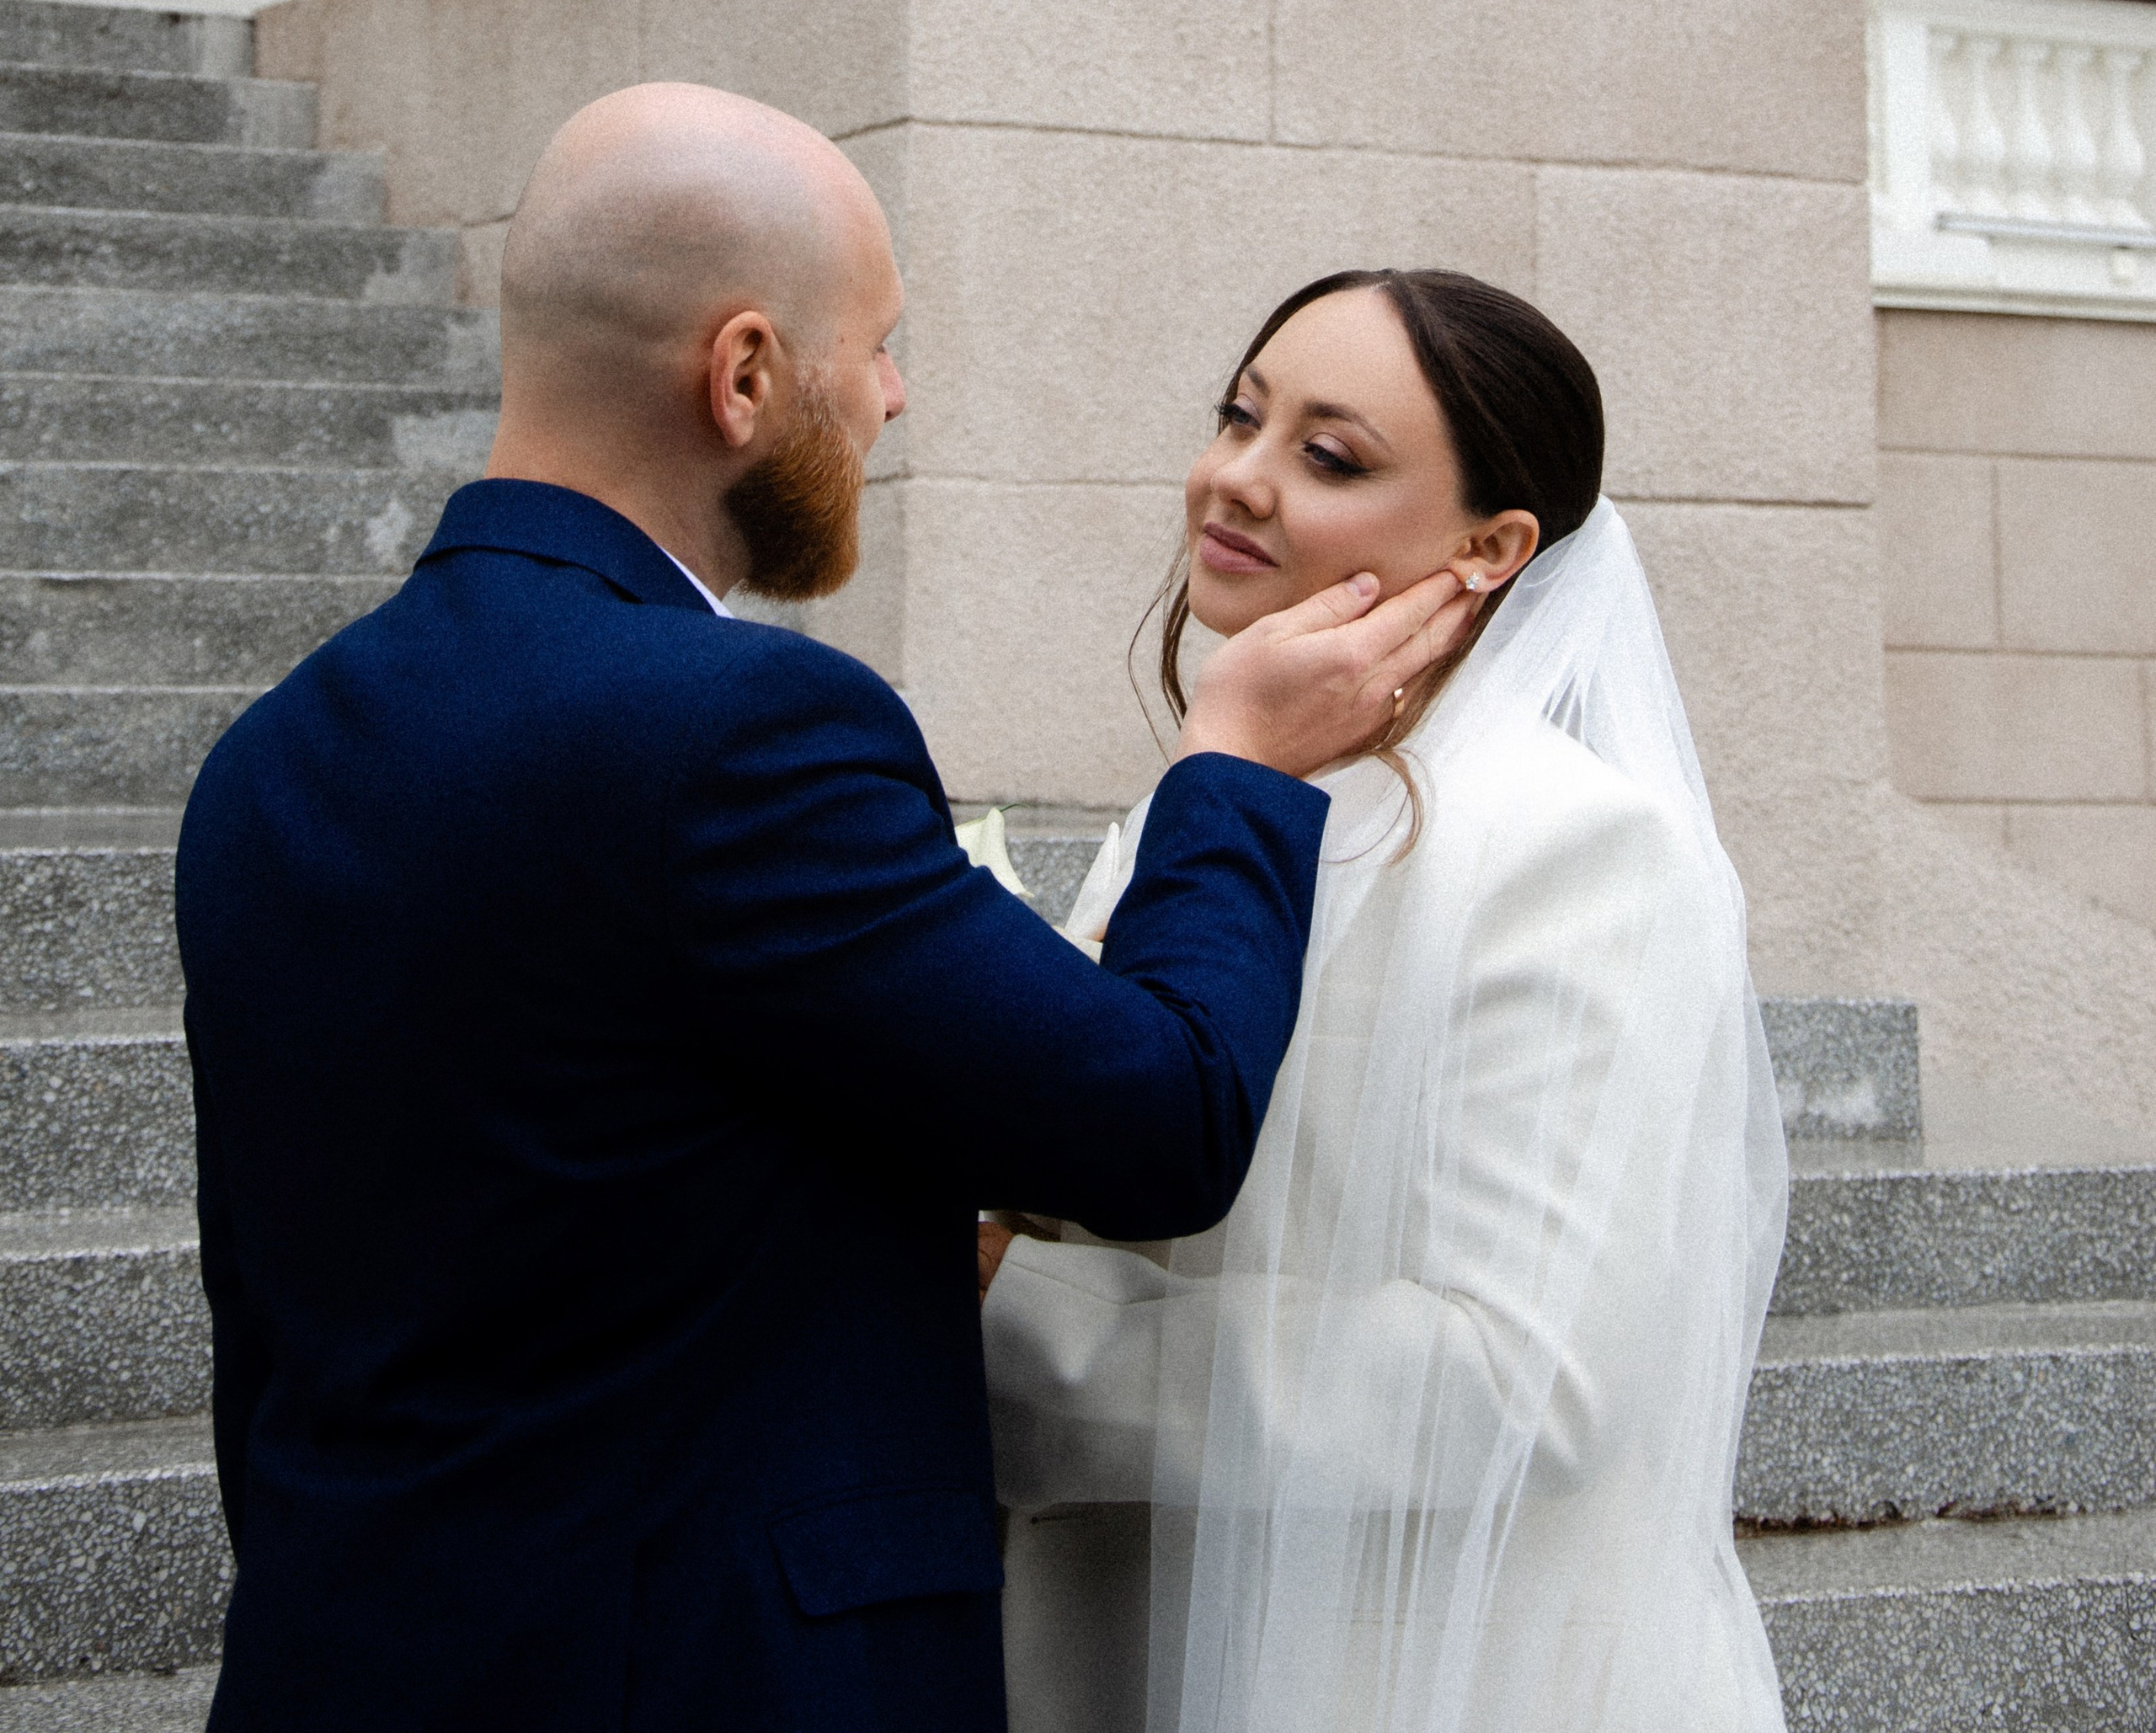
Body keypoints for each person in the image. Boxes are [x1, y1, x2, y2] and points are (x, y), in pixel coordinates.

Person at [175, 92, 1475, 1733]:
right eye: (872, 347)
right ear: (742, 375)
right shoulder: (738, 730)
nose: (890, 396)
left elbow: (309, 1301)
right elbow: (1161, 1115)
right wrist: (1237, 766)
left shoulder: (270, 753)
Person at [984, 269, 1789, 1733]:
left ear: (1492, 546)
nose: (1239, 476)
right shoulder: (1208, 802)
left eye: (1329, 454)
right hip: (1119, 1639)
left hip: (1389, 1672)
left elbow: (1527, 1377)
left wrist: (1014, 1327)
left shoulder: (1576, 849)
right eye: (1239, 415)